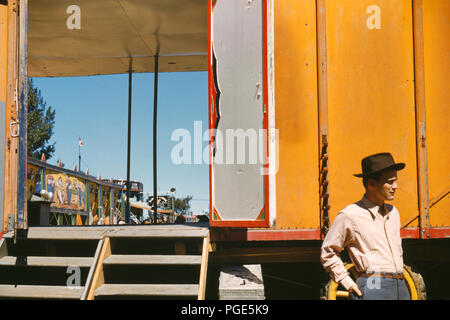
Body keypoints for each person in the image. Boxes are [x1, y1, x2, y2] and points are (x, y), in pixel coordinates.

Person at [320, 152, 410, 300]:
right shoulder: (350, 215)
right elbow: (328, 252)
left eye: (396, 181)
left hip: (401, 285)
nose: (396, 186)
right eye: (390, 182)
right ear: (372, 184)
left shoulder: (394, 213)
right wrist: (347, 282)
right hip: (373, 285)